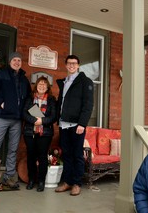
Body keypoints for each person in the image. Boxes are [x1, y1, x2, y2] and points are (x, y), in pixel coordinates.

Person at [0, 52, 31, 188]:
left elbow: (29, 101)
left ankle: (8, 177)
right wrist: (1, 103)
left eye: (19, 60)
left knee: (13, 149)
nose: (17, 62)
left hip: (17, 119)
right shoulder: (1, 75)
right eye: (14, 60)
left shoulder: (24, 79)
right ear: (10, 62)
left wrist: (40, 117)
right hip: (2, 117)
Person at [55, 54, 93, 196]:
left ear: (78, 65)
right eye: (69, 63)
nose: (71, 65)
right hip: (63, 124)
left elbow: (88, 105)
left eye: (74, 63)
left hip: (77, 125)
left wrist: (82, 123)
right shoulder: (64, 82)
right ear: (66, 65)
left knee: (77, 155)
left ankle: (77, 183)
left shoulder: (85, 81)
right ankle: (67, 182)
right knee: (67, 155)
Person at [23, 76, 57, 192]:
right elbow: (24, 113)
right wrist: (34, 121)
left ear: (47, 87)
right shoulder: (30, 98)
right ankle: (31, 180)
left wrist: (42, 121)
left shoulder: (52, 99)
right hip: (30, 131)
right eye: (40, 84)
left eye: (44, 84)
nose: (42, 86)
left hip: (45, 133)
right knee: (31, 156)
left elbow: (53, 116)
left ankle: (41, 181)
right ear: (36, 86)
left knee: (42, 157)